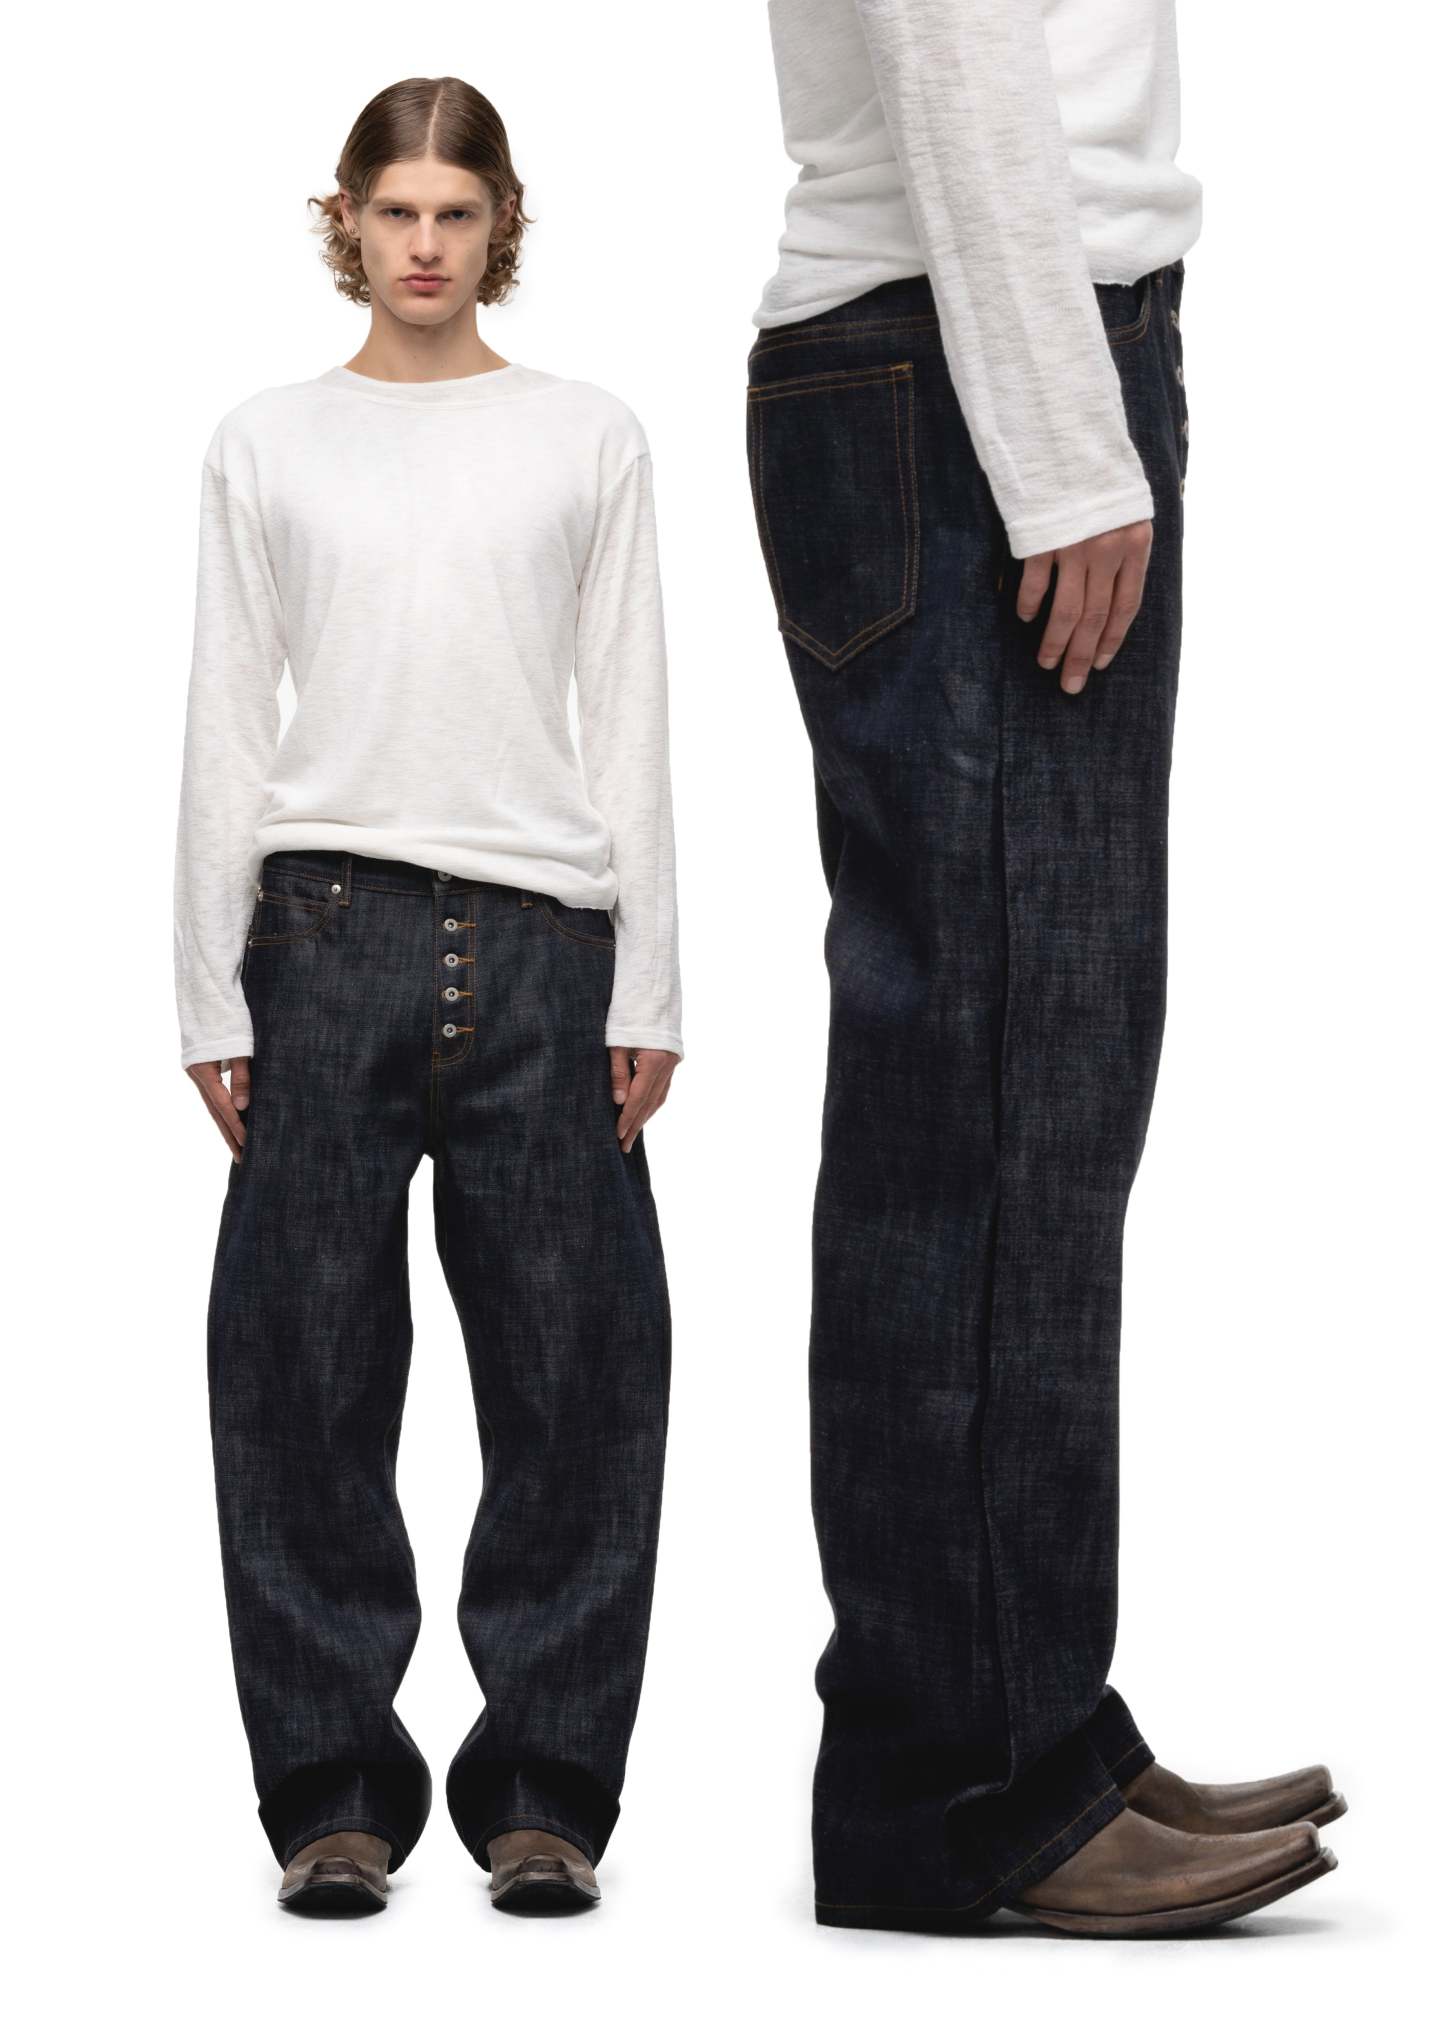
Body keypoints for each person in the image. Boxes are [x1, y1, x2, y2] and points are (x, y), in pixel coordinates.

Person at [746, 0, 1342, 1935]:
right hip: (971, 367)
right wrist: (1066, 447)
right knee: (991, 1087)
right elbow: (953, 48)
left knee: (1025, 1083)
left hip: (981, 353)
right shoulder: (1009, 385)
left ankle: (1025, 1726)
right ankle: (964, 1782)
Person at [173, 74, 681, 1917]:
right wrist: (207, 996)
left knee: (580, 1381)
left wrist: (652, 979)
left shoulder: (585, 436)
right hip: (321, 940)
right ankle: (333, 1798)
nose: (423, 246)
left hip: (547, 946)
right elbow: (229, 717)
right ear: (348, 220)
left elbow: (628, 709)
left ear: (499, 226)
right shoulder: (268, 442)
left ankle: (544, 1794)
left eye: (456, 214)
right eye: (394, 211)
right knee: (298, 1381)